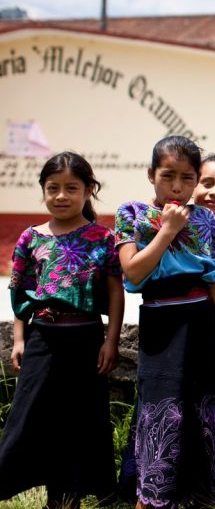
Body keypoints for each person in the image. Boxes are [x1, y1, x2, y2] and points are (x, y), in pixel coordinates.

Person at [115, 136, 215, 508]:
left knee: (203, 407)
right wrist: (166, 230)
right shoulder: (132, 214)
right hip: (161, 321)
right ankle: (151, 495)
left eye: (187, 178)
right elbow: (133, 275)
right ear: (151, 175)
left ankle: (204, 495)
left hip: (200, 320)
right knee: (160, 408)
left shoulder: (206, 220)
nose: (178, 187)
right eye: (169, 176)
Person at [0, 152, 124, 508]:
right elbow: (20, 290)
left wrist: (110, 341)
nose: (61, 195)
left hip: (86, 340)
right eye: (52, 188)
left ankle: (65, 499)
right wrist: (20, 340)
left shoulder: (103, 238)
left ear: (89, 190)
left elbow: (115, 292)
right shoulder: (30, 238)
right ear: (43, 190)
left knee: (80, 421)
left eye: (72, 188)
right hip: (43, 339)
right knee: (29, 416)